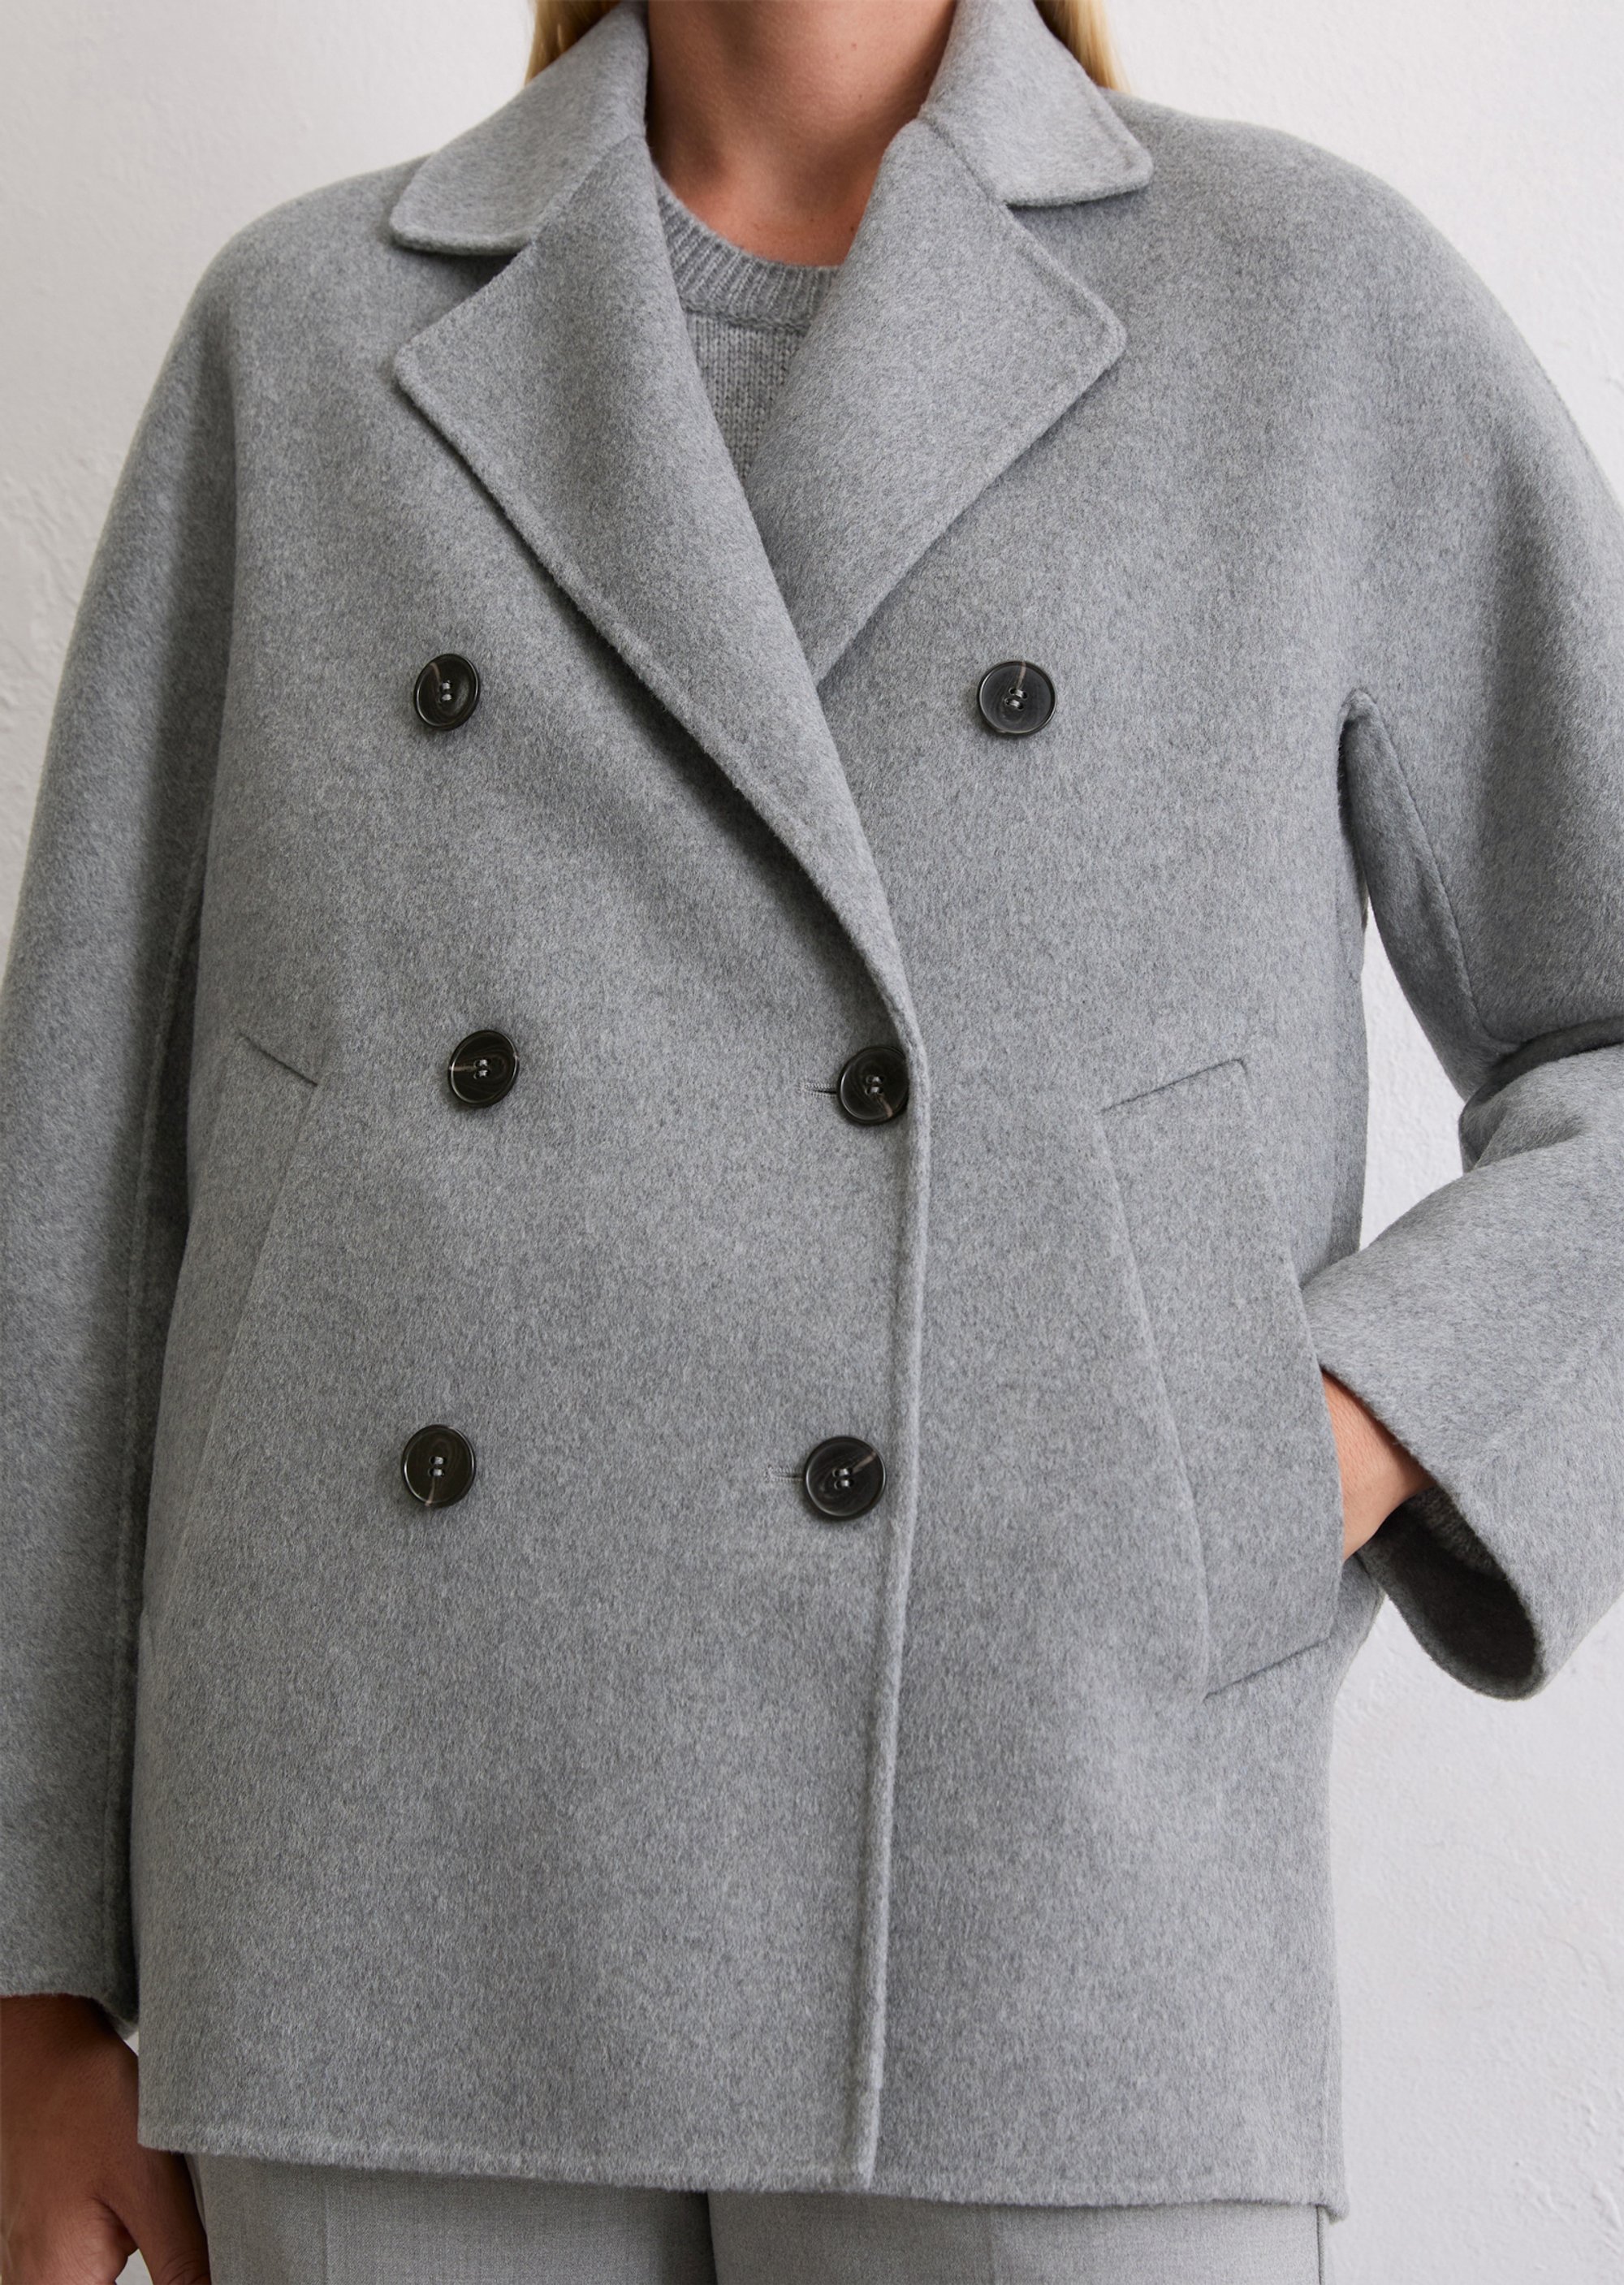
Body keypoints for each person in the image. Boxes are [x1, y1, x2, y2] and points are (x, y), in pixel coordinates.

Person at [3, 0, 1622, 2278]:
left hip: (1047, 1862)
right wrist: (27, 1977)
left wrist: (1306, 1448)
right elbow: (76, 1198)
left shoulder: (1307, 307)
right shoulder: (307, 333)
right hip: (383, 1879)